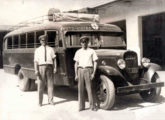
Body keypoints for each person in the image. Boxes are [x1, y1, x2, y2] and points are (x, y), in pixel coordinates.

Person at [74, 36, 98, 111]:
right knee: (80, 89)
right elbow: (76, 63)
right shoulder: (78, 51)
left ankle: (92, 106)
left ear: (88, 42)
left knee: (90, 89)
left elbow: (95, 62)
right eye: (82, 42)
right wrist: (76, 74)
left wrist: (93, 73)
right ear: (80, 43)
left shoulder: (92, 51)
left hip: (89, 70)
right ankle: (81, 107)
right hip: (80, 70)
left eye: (85, 42)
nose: (84, 43)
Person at [34, 34, 57, 107]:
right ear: (40, 41)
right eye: (42, 40)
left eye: (45, 40)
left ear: (47, 41)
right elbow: (35, 61)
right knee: (40, 85)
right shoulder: (37, 50)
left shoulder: (51, 49)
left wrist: (55, 67)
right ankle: (40, 102)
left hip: (49, 67)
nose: (44, 41)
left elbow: (54, 59)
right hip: (41, 67)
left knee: (50, 85)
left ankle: (50, 100)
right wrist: (36, 70)